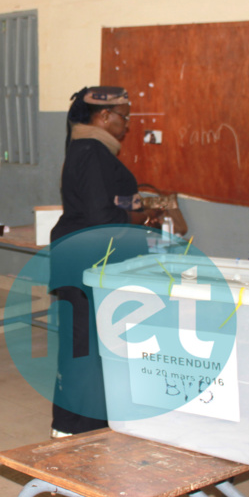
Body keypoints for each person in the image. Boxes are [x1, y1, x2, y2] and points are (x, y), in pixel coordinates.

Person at [49, 86, 162, 438]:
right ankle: (70, 427)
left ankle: (85, 422)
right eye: (123, 117)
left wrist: (140, 206)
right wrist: (141, 219)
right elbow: (101, 215)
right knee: (83, 346)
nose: (127, 125)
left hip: (87, 257)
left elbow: (109, 200)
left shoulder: (89, 150)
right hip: (86, 259)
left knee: (90, 343)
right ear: (102, 116)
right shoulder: (91, 151)